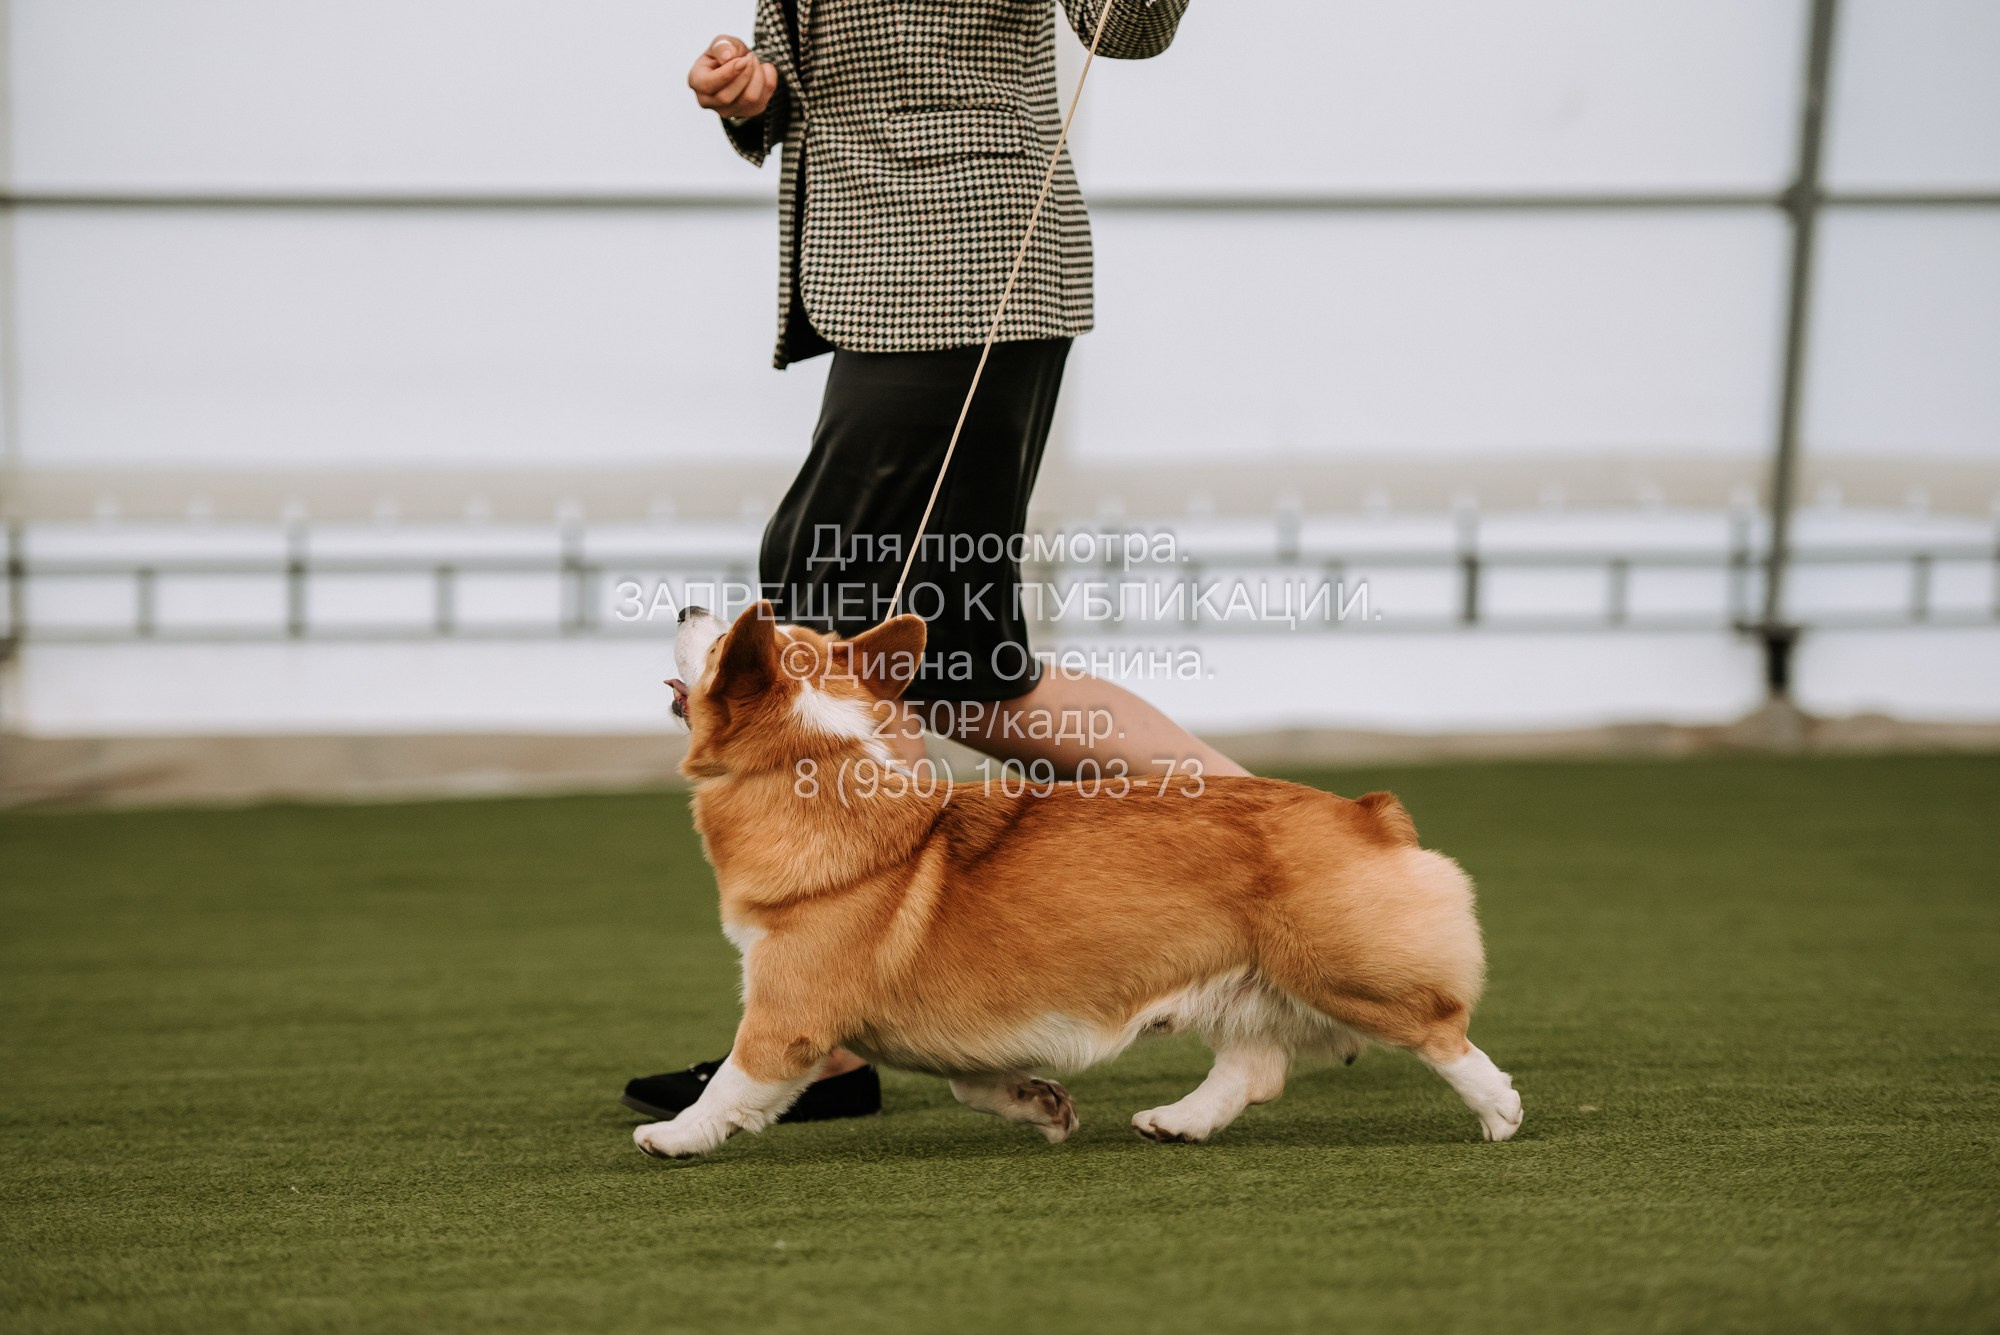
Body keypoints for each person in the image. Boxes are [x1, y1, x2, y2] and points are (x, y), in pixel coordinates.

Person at [622, 0, 1244, 1126]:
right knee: (964, 671)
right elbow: (842, 71)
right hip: (886, 273)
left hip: (965, 269)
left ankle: (828, 1034)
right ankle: (1274, 845)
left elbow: (1129, 25)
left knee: (823, 606)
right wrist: (757, 95)